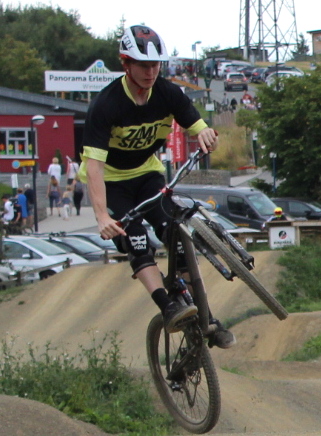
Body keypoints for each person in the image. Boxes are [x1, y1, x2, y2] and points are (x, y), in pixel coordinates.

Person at [79, 24, 235, 349]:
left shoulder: (167, 92)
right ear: (126, 64)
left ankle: (206, 316)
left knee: (174, 231)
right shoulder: (106, 104)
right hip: (112, 183)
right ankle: (167, 307)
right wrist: (101, 216)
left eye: (156, 65)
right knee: (136, 240)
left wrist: (206, 133)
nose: (151, 72)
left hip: (147, 174)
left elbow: (196, 124)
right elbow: (93, 166)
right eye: (144, 66)